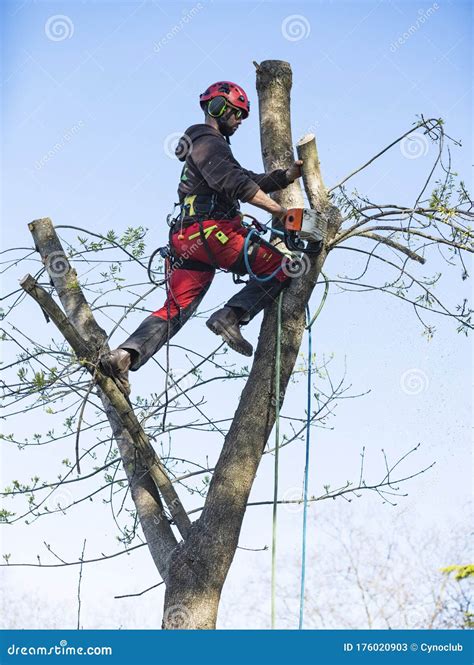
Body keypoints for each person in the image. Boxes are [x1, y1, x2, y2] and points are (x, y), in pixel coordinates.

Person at [101, 80, 303, 394]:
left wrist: (284, 176)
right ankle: (230, 316)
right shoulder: (206, 139)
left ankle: (124, 356)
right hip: (215, 234)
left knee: (175, 309)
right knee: (284, 267)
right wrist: (281, 212)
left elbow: (244, 176)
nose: (238, 120)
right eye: (235, 113)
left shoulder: (209, 148)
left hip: (187, 241)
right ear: (217, 108)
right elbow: (237, 183)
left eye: (242, 116)